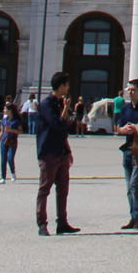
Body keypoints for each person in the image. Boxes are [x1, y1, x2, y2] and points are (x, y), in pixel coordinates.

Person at [33, 72, 79, 236]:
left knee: (63, 189)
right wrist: (66, 108)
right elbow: (56, 124)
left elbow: (65, 129)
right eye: (67, 85)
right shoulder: (47, 104)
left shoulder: (60, 103)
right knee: (44, 188)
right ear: (61, 86)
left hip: (61, 151)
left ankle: (62, 222)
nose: (68, 88)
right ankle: (42, 224)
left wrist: (68, 150)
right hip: (49, 152)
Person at [111, 79, 138, 231]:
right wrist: (121, 130)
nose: (129, 92)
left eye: (132, 90)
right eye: (128, 90)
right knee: (129, 187)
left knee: (134, 184)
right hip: (127, 149)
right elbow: (118, 126)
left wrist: (137, 128)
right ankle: (133, 217)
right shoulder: (125, 108)